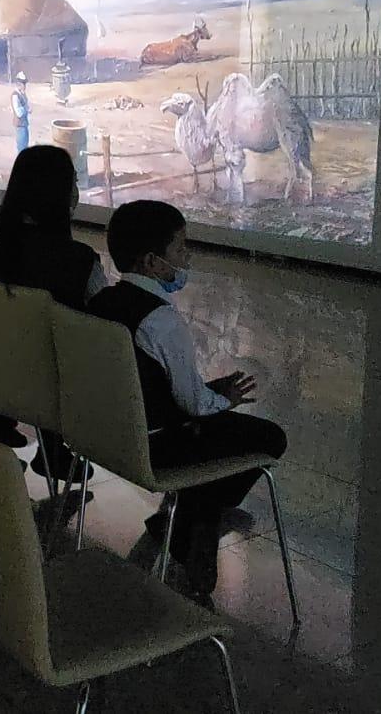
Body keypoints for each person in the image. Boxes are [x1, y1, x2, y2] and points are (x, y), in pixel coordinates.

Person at [90, 200, 283, 596]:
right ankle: (194, 521)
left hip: (105, 435)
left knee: (218, 422)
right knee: (270, 437)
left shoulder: (100, 302)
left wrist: (208, 393)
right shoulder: (160, 319)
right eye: (180, 248)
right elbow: (194, 405)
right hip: (157, 446)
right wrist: (224, 398)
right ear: (152, 261)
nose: (187, 257)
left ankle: (186, 517)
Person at [0, 145, 107, 460]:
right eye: (74, 183)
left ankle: (0, 425)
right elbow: (102, 325)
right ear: (61, 195)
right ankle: (55, 447)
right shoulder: (81, 261)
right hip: (58, 388)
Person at [10, 72, 31, 154]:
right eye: (23, 83)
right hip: (20, 125)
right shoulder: (15, 95)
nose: (24, 86)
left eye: (25, 83)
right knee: (22, 148)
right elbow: (18, 112)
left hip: (24, 124)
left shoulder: (22, 94)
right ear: (18, 83)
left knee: (25, 147)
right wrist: (26, 109)